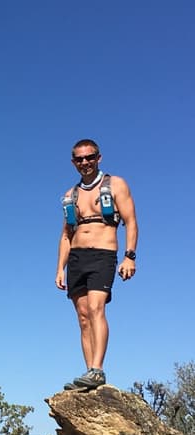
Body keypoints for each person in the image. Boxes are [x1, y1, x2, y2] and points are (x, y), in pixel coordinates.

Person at [55, 139, 138, 389]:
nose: (85, 163)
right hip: (77, 258)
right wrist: (60, 268)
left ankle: (97, 369)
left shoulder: (115, 184)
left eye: (89, 157)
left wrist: (129, 256)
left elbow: (131, 221)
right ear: (73, 163)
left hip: (103, 254)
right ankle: (88, 373)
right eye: (80, 159)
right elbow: (66, 235)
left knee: (95, 308)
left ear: (98, 158)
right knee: (82, 317)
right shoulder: (71, 195)